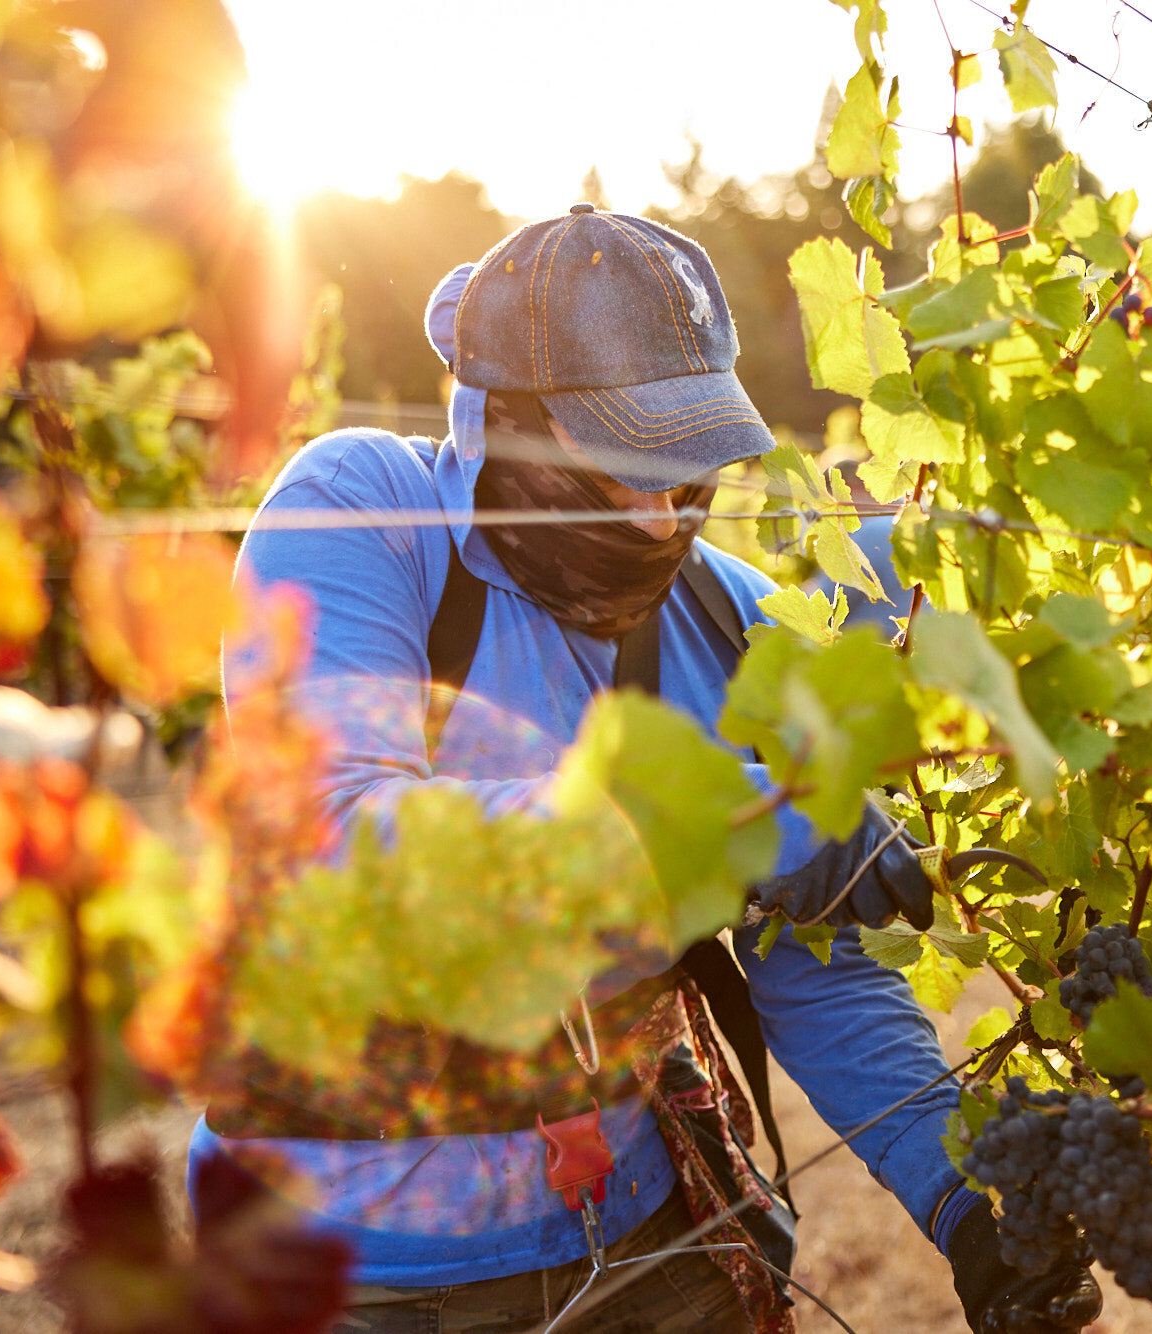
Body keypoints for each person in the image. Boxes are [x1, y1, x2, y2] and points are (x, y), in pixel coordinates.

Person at [190, 205, 1103, 1333]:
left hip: (635, 1227)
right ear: (509, 429)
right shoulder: (367, 514)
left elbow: (814, 967)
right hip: (351, 1254)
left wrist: (964, 1202)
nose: (666, 513)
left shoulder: (727, 616)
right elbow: (339, 839)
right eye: (630, 459)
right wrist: (746, 819)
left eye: (690, 466)